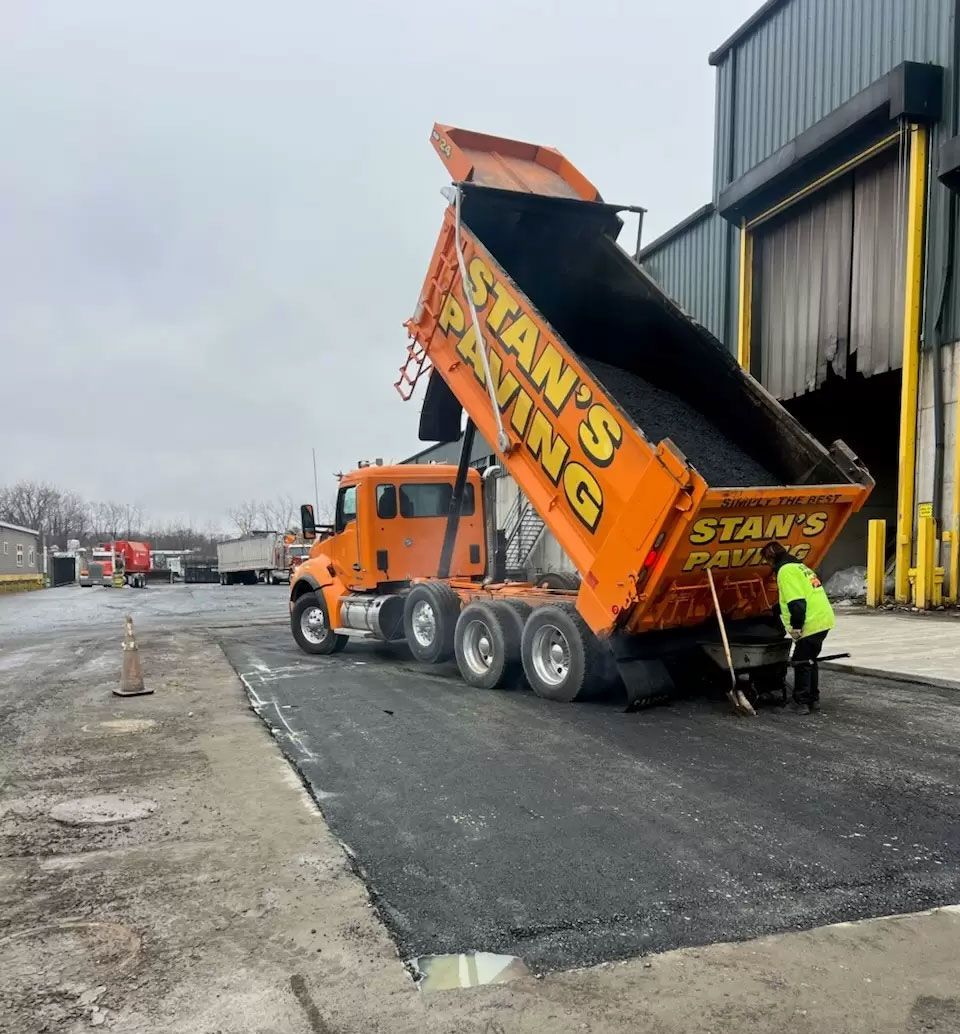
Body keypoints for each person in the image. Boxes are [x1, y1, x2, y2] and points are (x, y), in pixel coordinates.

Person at [761, 541, 835, 714]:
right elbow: (797, 596)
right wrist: (774, 609)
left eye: (766, 561)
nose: (767, 565)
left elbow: (797, 603)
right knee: (810, 660)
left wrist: (796, 626)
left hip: (811, 621)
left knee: (801, 661)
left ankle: (800, 703)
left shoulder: (785, 572)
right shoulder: (799, 567)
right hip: (822, 618)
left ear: (771, 558)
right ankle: (812, 700)